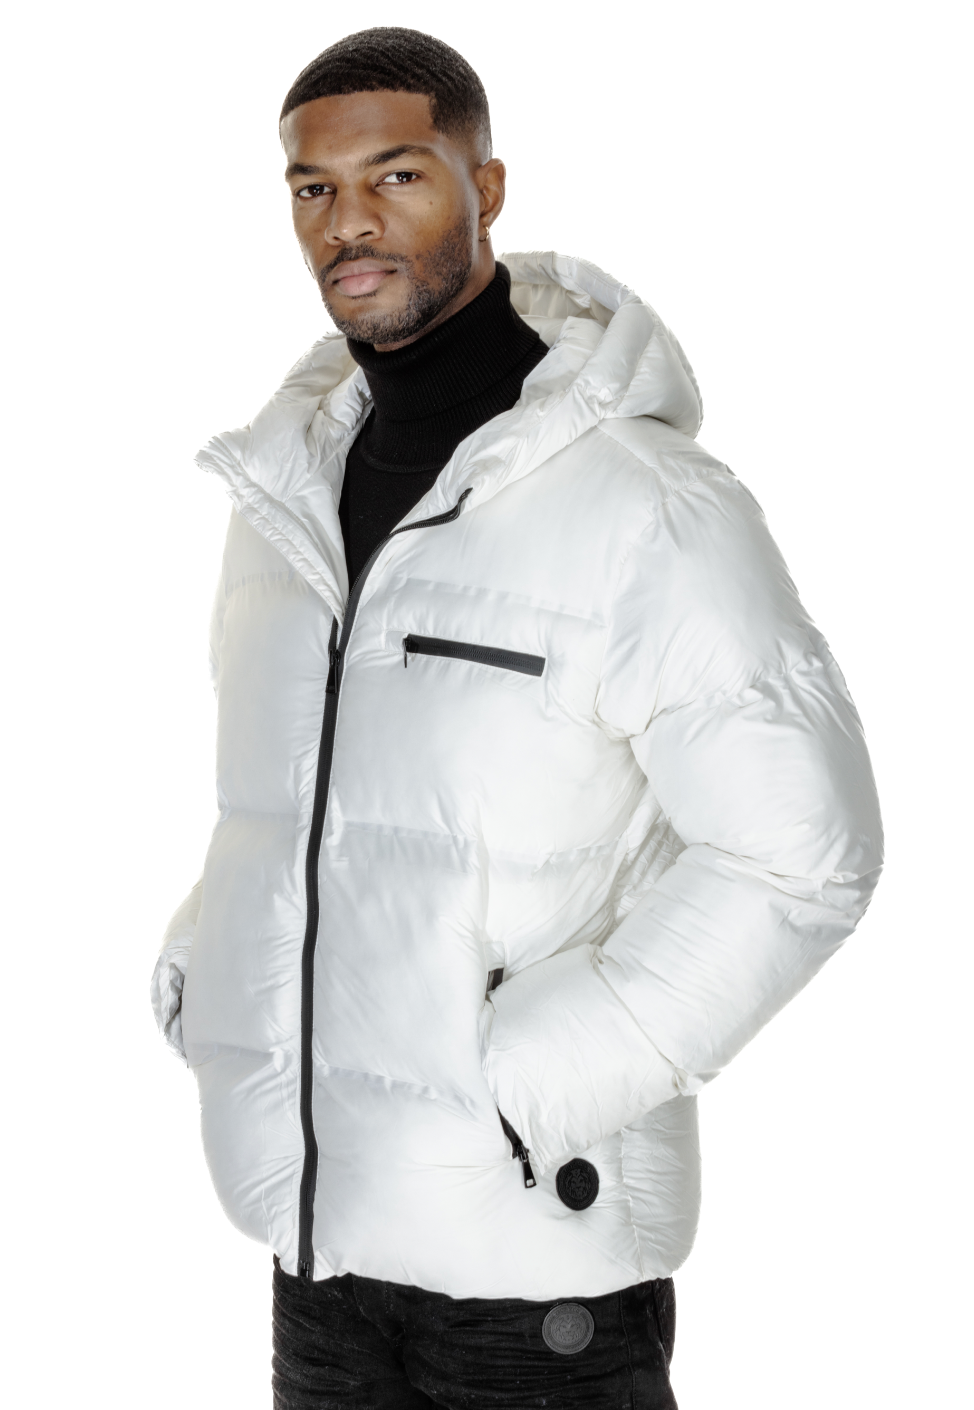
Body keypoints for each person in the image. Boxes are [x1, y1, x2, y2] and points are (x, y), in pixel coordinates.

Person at [151, 26, 883, 1409]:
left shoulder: (644, 505)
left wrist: (519, 1088)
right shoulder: (281, 500)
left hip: (534, 1283)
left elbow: (804, 850)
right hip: (317, 1257)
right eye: (312, 188)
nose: (349, 222)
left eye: (396, 174)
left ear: (485, 188)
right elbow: (303, 805)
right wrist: (214, 973)